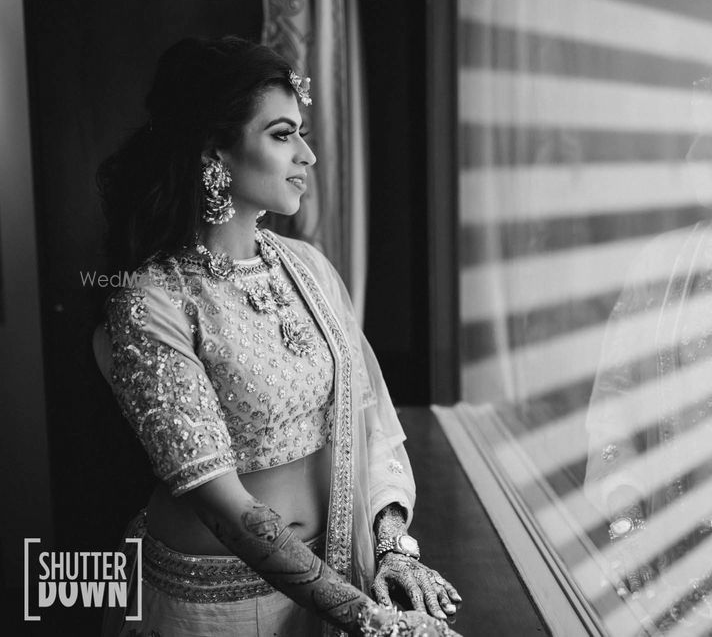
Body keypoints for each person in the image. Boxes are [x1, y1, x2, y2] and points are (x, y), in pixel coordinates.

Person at [92, 36, 462, 637]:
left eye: (301, 133)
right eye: (282, 134)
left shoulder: (307, 268)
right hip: (216, 606)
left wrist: (392, 543)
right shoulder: (151, 299)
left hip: (338, 569)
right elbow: (226, 510)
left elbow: (369, 420)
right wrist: (371, 620)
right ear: (215, 150)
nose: (308, 156)